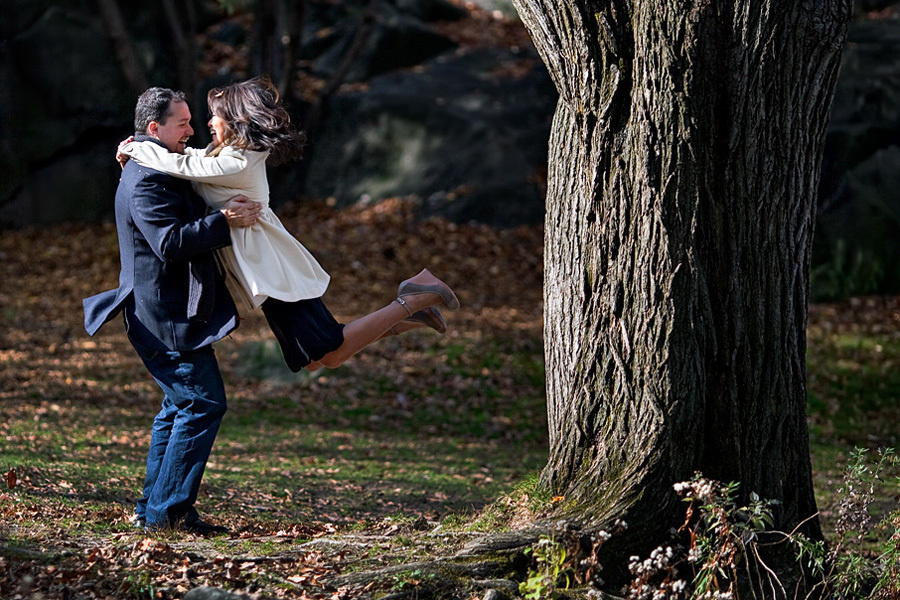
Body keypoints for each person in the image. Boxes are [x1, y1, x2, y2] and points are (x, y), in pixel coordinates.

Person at [117, 77, 459, 373]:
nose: (207, 123)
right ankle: (409, 315)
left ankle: (415, 296)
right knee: (313, 360)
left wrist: (139, 150)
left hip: (273, 267)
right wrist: (140, 148)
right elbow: (190, 159)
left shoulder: (241, 159)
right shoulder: (224, 153)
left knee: (329, 350)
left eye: (214, 116)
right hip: (263, 271)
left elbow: (187, 168)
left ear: (235, 120)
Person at [83, 87, 262, 535]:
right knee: (202, 403)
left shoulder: (158, 165)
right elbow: (169, 242)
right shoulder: (146, 178)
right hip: (162, 317)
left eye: (190, 121)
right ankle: (168, 513)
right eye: (182, 124)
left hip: (171, 313)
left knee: (179, 405)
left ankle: (154, 508)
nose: (191, 130)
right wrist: (224, 221)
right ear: (154, 128)